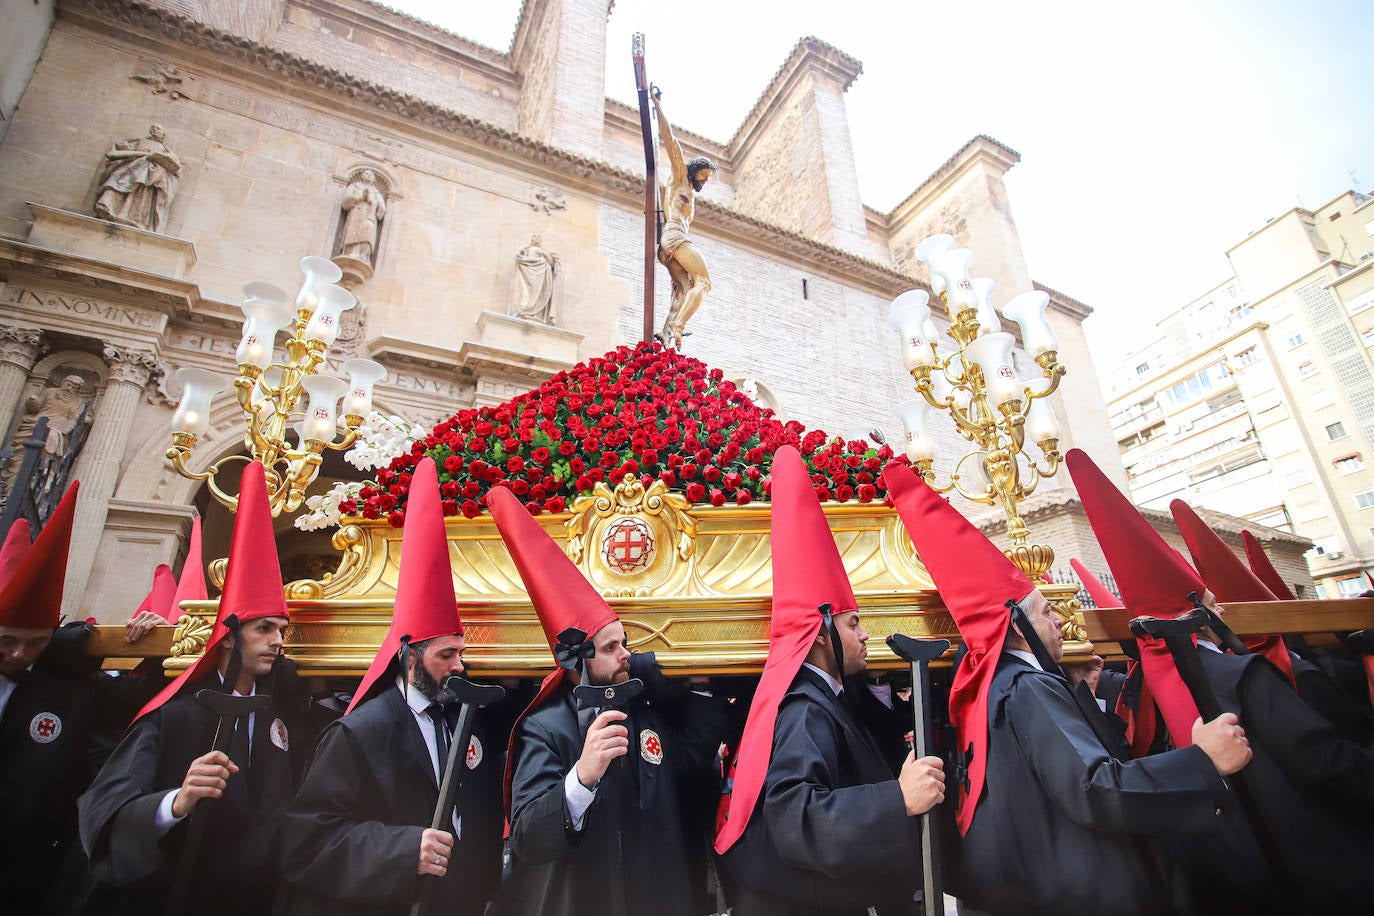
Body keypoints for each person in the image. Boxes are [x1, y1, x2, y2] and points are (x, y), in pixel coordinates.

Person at [883, 458, 1255, 916]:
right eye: (1044, 611)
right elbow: (1091, 787)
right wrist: (1201, 761)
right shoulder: (1025, 686)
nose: (1059, 620)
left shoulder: (987, 688)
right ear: (1016, 627)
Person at [1072, 448, 1374, 913]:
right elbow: (1326, 763)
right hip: (1309, 870)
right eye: (1213, 602)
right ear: (1196, 613)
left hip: (1220, 882)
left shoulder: (1140, 695)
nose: (1224, 610)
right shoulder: (1240, 675)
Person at [715, 446, 940, 915]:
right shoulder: (803, 711)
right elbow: (799, 817)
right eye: (853, 623)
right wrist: (897, 798)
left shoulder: (827, 700)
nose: (865, 635)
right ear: (820, 634)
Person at [485, 484, 730, 916]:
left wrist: (696, 680)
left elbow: (691, 760)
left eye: (625, 643)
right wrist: (582, 776)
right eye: (612, 648)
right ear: (578, 660)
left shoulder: (640, 711)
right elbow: (527, 835)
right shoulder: (545, 727)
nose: (627, 656)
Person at [277, 456, 505, 916]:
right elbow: (306, 840)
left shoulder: (460, 719)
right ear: (409, 656)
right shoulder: (360, 731)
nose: (459, 667)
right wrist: (402, 850)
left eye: (461, 653)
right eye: (446, 655)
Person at [77, 462, 297, 915]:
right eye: (265, 629)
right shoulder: (172, 714)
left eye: (281, 630)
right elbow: (104, 809)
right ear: (228, 636)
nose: (277, 641)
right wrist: (174, 803)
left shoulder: (278, 716)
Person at [0, 490, 164, 913]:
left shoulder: (71, 685)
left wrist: (162, 646)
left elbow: (141, 701)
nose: (19, 655)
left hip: (26, 865)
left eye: (34, 643)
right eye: (5, 643)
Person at [651, 84, 716, 349]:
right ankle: (679, 325)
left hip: (670, 247)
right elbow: (672, 143)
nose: (705, 179)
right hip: (674, 237)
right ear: (695, 169)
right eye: (704, 174)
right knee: (704, 282)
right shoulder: (679, 178)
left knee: (685, 290)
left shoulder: (690, 192)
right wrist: (658, 106)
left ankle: (667, 337)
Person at [93, 124, 181, 232]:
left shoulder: (164, 149)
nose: (154, 129)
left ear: (163, 135)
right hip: (132, 168)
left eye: (158, 128)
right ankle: (107, 205)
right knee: (117, 179)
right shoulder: (139, 141)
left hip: (149, 174)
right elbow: (116, 152)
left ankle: (135, 217)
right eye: (153, 127)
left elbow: (175, 165)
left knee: (143, 191)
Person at [339, 169, 387, 264]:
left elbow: (382, 208)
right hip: (356, 212)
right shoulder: (354, 186)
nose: (369, 175)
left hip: (370, 215)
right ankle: (350, 251)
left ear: (374, 179)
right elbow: (346, 200)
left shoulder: (376, 192)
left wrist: (371, 201)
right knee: (353, 230)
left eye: (371, 175)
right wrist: (359, 197)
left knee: (368, 229)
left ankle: (363, 255)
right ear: (361, 175)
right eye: (366, 173)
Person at [509, 234, 560, 323]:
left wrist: (545, 261)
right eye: (534, 237)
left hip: (539, 275)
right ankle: (526, 309)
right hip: (528, 273)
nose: (536, 238)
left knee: (536, 291)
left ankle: (533, 310)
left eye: (538, 237)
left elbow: (550, 261)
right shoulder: (527, 249)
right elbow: (521, 255)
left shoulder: (541, 251)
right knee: (527, 291)